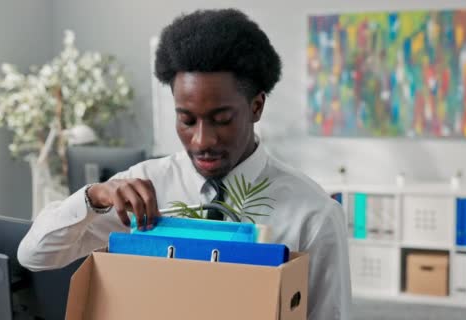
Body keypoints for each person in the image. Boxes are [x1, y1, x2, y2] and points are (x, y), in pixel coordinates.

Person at [18, 8, 350, 320]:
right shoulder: (143, 187)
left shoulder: (314, 215)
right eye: (187, 120)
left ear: (256, 107)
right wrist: (94, 197)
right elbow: (35, 255)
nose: (202, 140)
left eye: (221, 120)